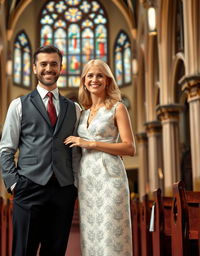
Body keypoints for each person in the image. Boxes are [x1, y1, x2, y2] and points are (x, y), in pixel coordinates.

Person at [0, 45, 80, 256]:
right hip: (28, 188)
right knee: (23, 250)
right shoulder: (18, 105)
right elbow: (6, 149)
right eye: (43, 64)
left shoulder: (74, 109)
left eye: (54, 64)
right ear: (34, 68)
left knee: (55, 251)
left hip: (63, 189)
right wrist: (15, 184)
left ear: (61, 68)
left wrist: (76, 185)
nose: (48, 68)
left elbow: (77, 151)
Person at [64, 59, 135, 255]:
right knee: (91, 235)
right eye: (90, 75)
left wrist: (91, 143)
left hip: (110, 176)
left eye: (100, 75)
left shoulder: (117, 107)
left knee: (111, 234)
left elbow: (130, 148)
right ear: (84, 81)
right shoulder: (83, 113)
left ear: (108, 80)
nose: (94, 79)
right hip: (87, 179)